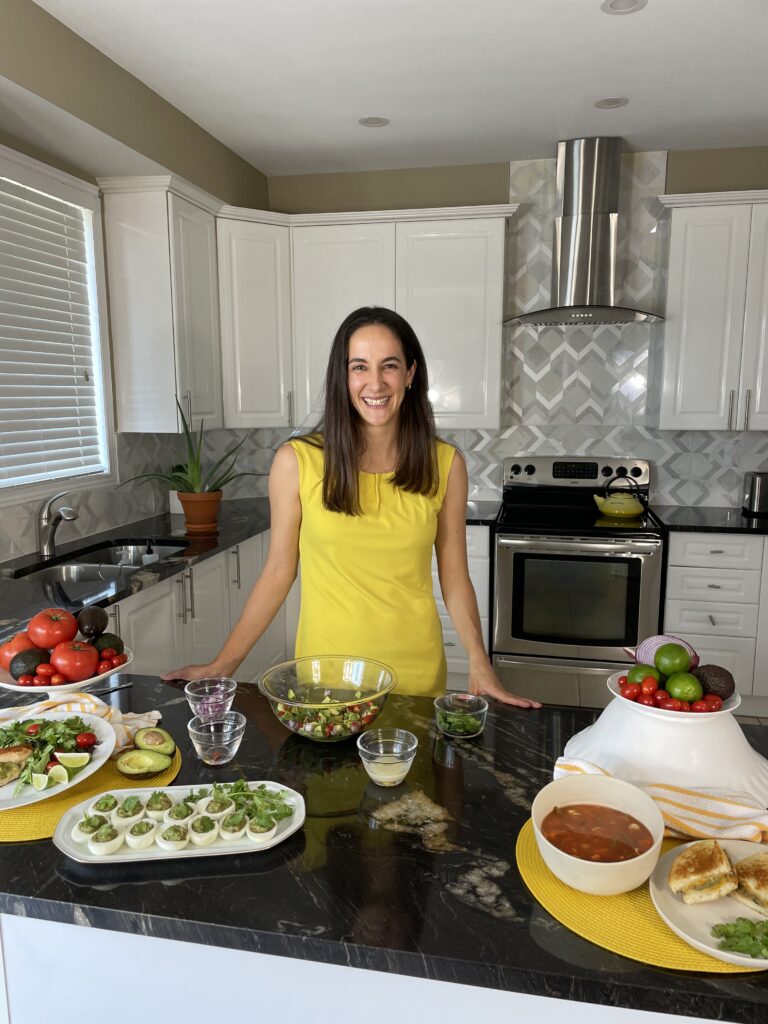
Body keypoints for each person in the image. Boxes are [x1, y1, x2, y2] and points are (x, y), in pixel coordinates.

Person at [164, 306, 539, 708]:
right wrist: (223, 665)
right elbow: (277, 572)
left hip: (414, 677)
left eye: (389, 366)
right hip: (327, 677)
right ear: (342, 377)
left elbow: (455, 577)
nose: (374, 383)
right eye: (359, 366)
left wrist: (480, 663)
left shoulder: (446, 465)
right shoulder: (297, 461)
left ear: (410, 374)